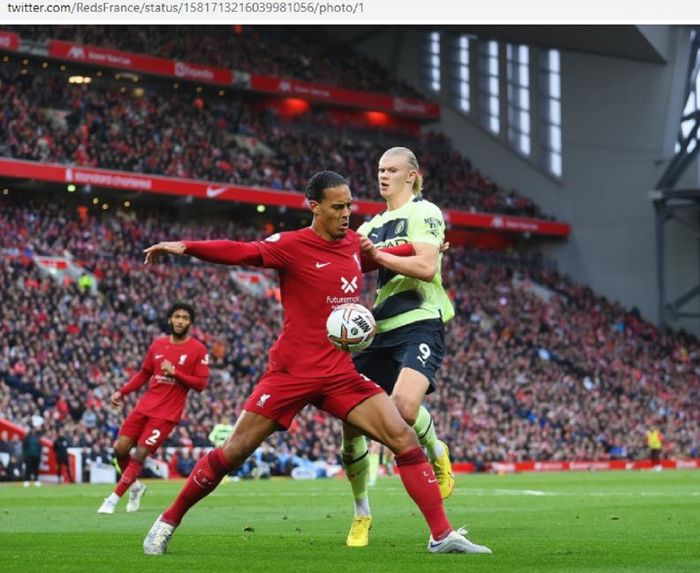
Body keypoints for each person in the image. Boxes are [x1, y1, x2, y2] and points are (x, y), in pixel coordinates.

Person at [140, 171, 491, 556]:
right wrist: (185, 247)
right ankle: (167, 520)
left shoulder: (354, 244)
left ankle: (441, 535)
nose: (346, 213)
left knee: (404, 440)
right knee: (234, 452)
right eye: (338, 207)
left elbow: (380, 256)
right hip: (291, 373)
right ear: (315, 207)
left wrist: (429, 247)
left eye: (349, 206)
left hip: (339, 374)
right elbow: (241, 250)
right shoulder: (291, 246)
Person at [341, 146, 456, 547]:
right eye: (379, 169)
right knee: (351, 421)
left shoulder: (426, 212)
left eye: (392, 169)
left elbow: (426, 267)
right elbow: (350, 264)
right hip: (377, 329)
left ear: (412, 175)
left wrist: (380, 255)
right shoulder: (369, 227)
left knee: (403, 409)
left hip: (420, 320)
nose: (383, 175)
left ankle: (435, 448)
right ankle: (361, 513)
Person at [97, 302, 210, 514]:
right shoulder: (158, 345)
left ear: (190, 323)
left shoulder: (198, 349)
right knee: (120, 449)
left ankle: (112, 500)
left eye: (185, 318)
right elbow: (144, 373)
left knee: (140, 453)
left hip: (167, 415)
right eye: (177, 316)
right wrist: (122, 392)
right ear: (170, 319)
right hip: (144, 407)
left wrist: (175, 373)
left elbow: (201, 384)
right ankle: (136, 487)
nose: (180, 321)